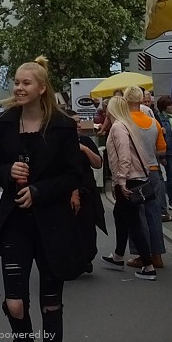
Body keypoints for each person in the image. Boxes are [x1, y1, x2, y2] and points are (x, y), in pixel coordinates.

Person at [0, 58, 84, 342]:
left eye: (26, 83)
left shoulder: (61, 126)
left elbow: (73, 174)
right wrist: (7, 171)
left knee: (50, 304)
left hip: (52, 223)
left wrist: (40, 191)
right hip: (15, 222)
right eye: (16, 82)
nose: (19, 87)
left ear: (42, 88)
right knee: (15, 303)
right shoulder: (3, 123)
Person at [102, 96, 157, 280]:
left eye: (107, 108)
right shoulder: (126, 125)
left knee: (133, 222)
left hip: (127, 180)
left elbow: (124, 155)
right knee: (121, 216)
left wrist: (121, 179)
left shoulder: (118, 127)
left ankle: (148, 266)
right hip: (135, 177)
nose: (105, 112)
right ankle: (118, 255)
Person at [112, 86, 166, 267]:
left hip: (133, 173)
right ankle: (157, 255)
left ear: (126, 101)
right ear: (142, 99)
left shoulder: (125, 123)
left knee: (137, 216)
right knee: (154, 213)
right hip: (153, 169)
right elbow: (162, 149)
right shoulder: (154, 123)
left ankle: (142, 256)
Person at [64, 106, 107, 274]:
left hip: (88, 191)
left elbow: (98, 164)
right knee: (71, 230)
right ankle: (74, 262)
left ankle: (87, 258)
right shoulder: (60, 144)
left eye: (79, 121)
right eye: (76, 123)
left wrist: (85, 150)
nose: (80, 125)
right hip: (68, 193)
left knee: (88, 228)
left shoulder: (86, 142)